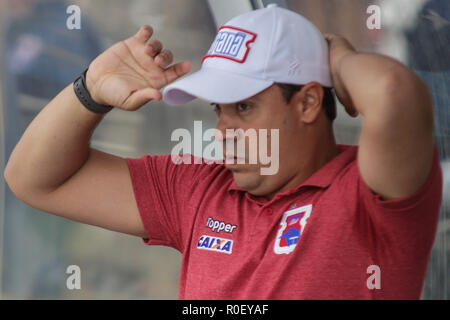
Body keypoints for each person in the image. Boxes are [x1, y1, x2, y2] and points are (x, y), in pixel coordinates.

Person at [4, 5, 443, 299]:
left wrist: (340, 60)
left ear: (309, 102)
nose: (222, 131)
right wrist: (91, 89)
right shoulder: (199, 186)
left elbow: (392, 91)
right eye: (219, 109)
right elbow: (33, 179)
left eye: (245, 107)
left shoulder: (369, 191)